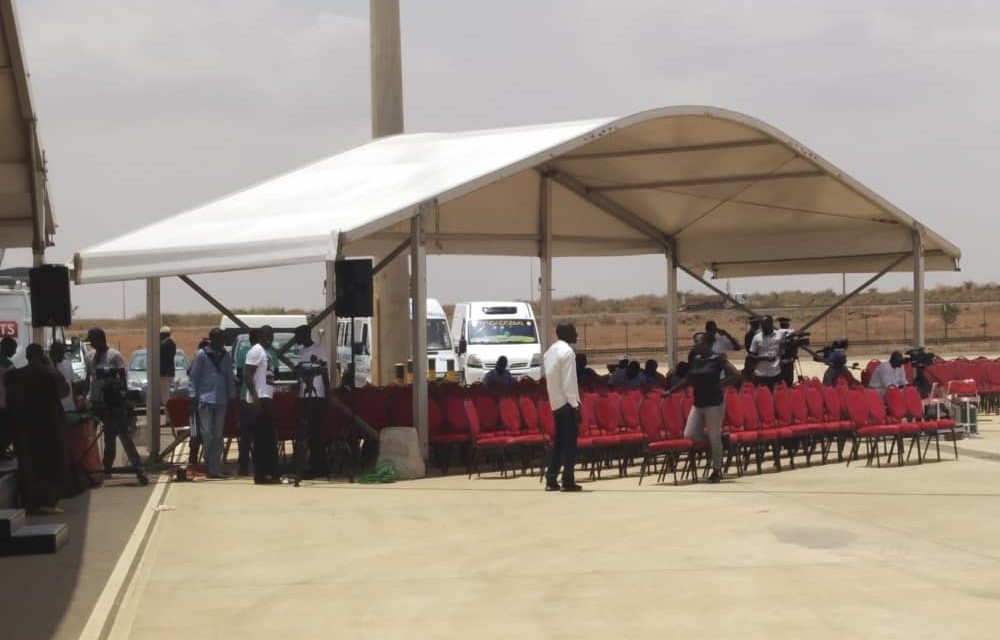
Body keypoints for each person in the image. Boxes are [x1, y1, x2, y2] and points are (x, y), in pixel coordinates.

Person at [665, 333, 742, 483]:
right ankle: (721, 439)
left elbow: (736, 375)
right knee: (690, 434)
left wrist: (720, 385)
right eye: (694, 343)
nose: (695, 345)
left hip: (714, 403)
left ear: (706, 344)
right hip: (698, 403)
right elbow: (688, 379)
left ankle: (716, 470)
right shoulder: (697, 361)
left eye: (698, 343)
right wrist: (671, 391)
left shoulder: (718, 359)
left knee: (713, 437)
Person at [5, 343, 71, 513]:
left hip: (25, 427)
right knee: (49, 464)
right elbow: (64, 391)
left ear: (26, 356)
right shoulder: (48, 373)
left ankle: (30, 501)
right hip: (48, 426)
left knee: (29, 464)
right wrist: (49, 366)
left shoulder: (15, 375)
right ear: (42, 355)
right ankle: (46, 502)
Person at [86, 328, 147, 484]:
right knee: (89, 436)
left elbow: (122, 378)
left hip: (113, 402)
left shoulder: (114, 355)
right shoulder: (90, 356)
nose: (91, 343)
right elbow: (89, 379)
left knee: (113, 437)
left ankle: (110, 467)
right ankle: (91, 467)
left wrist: (124, 397)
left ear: (101, 339)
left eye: (93, 340)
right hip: (95, 401)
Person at [188, 328, 236, 478]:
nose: (222, 342)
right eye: (219, 339)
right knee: (207, 433)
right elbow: (193, 377)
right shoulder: (202, 355)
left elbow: (229, 376)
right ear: (212, 339)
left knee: (218, 435)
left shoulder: (226, 356)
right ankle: (208, 461)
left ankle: (213, 468)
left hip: (221, 399)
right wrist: (193, 397)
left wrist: (232, 395)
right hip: (205, 399)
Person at [543, 322, 582, 492]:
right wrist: (575, 404)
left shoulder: (550, 351)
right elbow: (569, 382)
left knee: (559, 442)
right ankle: (568, 480)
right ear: (566, 333)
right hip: (566, 403)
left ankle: (551, 478)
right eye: (574, 331)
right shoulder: (567, 352)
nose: (577, 334)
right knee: (570, 444)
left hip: (555, 402)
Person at [293, 324, 331, 479]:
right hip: (305, 395)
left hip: (316, 396)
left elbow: (324, 371)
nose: (297, 339)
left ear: (306, 334)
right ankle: (312, 465)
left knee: (315, 433)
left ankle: (319, 467)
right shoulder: (303, 352)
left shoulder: (318, 349)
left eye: (299, 335)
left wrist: (327, 393)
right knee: (308, 433)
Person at [245, 325, 279, 484]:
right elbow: (248, 375)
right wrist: (255, 397)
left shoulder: (267, 353)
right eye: (267, 336)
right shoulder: (256, 351)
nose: (269, 339)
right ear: (260, 336)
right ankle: (259, 475)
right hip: (259, 399)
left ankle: (269, 472)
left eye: (271, 336)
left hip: (267, 397)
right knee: (260, 440)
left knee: (269, 439)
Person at [235, 328, 259, 476]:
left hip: (245, 398)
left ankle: (243, 466)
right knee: (259, 434)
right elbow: (274, 375)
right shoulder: (269, 353)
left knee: (245, 435)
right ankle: (259, 465)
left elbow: (239, 374)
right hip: (260, 399)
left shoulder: (243, 352)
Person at [748, 315, 782, 390]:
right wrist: (763, 358)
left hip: (775, 373)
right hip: (760, 374)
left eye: (765, 325)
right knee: (761, 398)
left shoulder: (779, 336)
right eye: (762, 325)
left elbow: (783, 352)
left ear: (771, 324)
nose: (763, 328)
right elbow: (751, 356)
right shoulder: (756, 337)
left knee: (775, 398)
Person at [50, 341, 77, 413]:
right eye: (60, 352)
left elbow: (72, 383)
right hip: (57, 408)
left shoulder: (68, 363)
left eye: (62, 352)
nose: (62, 355)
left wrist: (74, 400)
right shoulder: (49, 367)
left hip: (69, 406)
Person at [0, 337, 16, 454]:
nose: (14, 352)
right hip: (4, 404)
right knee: (7, 432)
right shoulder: (7, 364)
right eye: (13, 349)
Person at [775, 317, 797, 387]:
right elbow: (795, 345)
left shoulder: (776, 333)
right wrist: (794, 355)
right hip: (789, 359)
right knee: (789, 379)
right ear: (788, 324)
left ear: (780, 324)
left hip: (779, 361)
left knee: (780, 381)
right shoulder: (792, 332)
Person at [159, 326, 177, 407]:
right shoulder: (172, 343)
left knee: (165, 397)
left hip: (164, 373)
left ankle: (169, 417)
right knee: (167, 395)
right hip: (170, 372)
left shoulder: (163, 344)